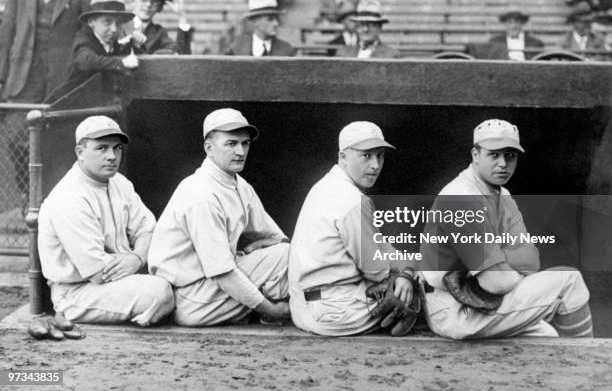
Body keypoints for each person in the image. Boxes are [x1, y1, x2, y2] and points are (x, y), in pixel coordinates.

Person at [420, 119, 593, 339]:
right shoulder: (460, 198)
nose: (503, 163)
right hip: (452, 309)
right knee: (570, 281)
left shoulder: (504, 196)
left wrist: (499, 262)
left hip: (481, 302)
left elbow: (532, 259)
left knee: (547, 335)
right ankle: (589, 365)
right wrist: (503, 265)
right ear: (475, 154)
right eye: (494, 154)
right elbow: (497, 283)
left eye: (510, 155)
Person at [148, 108, 291, 326]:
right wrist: (272, 310)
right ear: (209, 148)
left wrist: (265, 242)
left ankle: (260, 311)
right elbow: (222, 273)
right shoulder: (201, 193)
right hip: (189, 299)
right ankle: (269, 313)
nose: (241, 151)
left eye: (245, 144)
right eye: (231, 143)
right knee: (285, 260)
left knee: (288, 253)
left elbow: (276, 237)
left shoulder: (239, 185)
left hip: (209, 288)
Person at [37, 116, 174, 325]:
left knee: (177, 274)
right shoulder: (69, 198)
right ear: (80, 152)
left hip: (125, 272)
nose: (112, 156)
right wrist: (140, 260)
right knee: (159, 292)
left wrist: (137, 257)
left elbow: (148, 230)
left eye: (117, 148)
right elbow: (99, 272)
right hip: (78, 292)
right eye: (102, 148)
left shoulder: (120, 183)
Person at [289, 121, 417, 336]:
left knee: (409, 273)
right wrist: (407, 275)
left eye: (380, 155)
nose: (375, 165)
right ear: (343, 157)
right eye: (366, 155)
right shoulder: (352, 200)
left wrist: (407, 266)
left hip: (305, 306)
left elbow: (381, 249)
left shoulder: (324, 185)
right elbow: (376, 272)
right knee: (418, 291)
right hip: (337, 313)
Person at [65, 0, 139, 93]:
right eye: (107, 22)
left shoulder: (113, 44)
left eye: (118, 23)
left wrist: (137, 45)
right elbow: (87, 61)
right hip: (69, 104)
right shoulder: (84, 40)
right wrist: (121, 63)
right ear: (91, 22)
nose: (114, 29)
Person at [124, 0, 193, 55]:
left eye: (154, 1)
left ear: (159, 8)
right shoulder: (119, 25)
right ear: (133, 1)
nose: (148, 4)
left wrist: (181, 16)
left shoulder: (159, 33)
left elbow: (182, 56)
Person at [225, 0, 296, 56]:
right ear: (255, 22)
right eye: (270, 19)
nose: (276, 23)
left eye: (276, 19)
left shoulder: (287, 50)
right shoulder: (237, 48)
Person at [471, 10, 544, 60]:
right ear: (505, 24)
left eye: (516, 22)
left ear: (522, 24)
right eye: (510, 23)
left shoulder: (535, 43)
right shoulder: (495, 41)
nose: (513, 26)